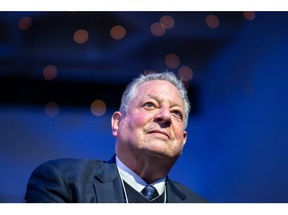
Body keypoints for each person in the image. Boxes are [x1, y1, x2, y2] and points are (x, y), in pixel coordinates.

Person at [25, 71, 208, 203]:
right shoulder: (64, 181)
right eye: (150, 104)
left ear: (183, 140)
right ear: (117, 123)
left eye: (176, 113)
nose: (166, 116)